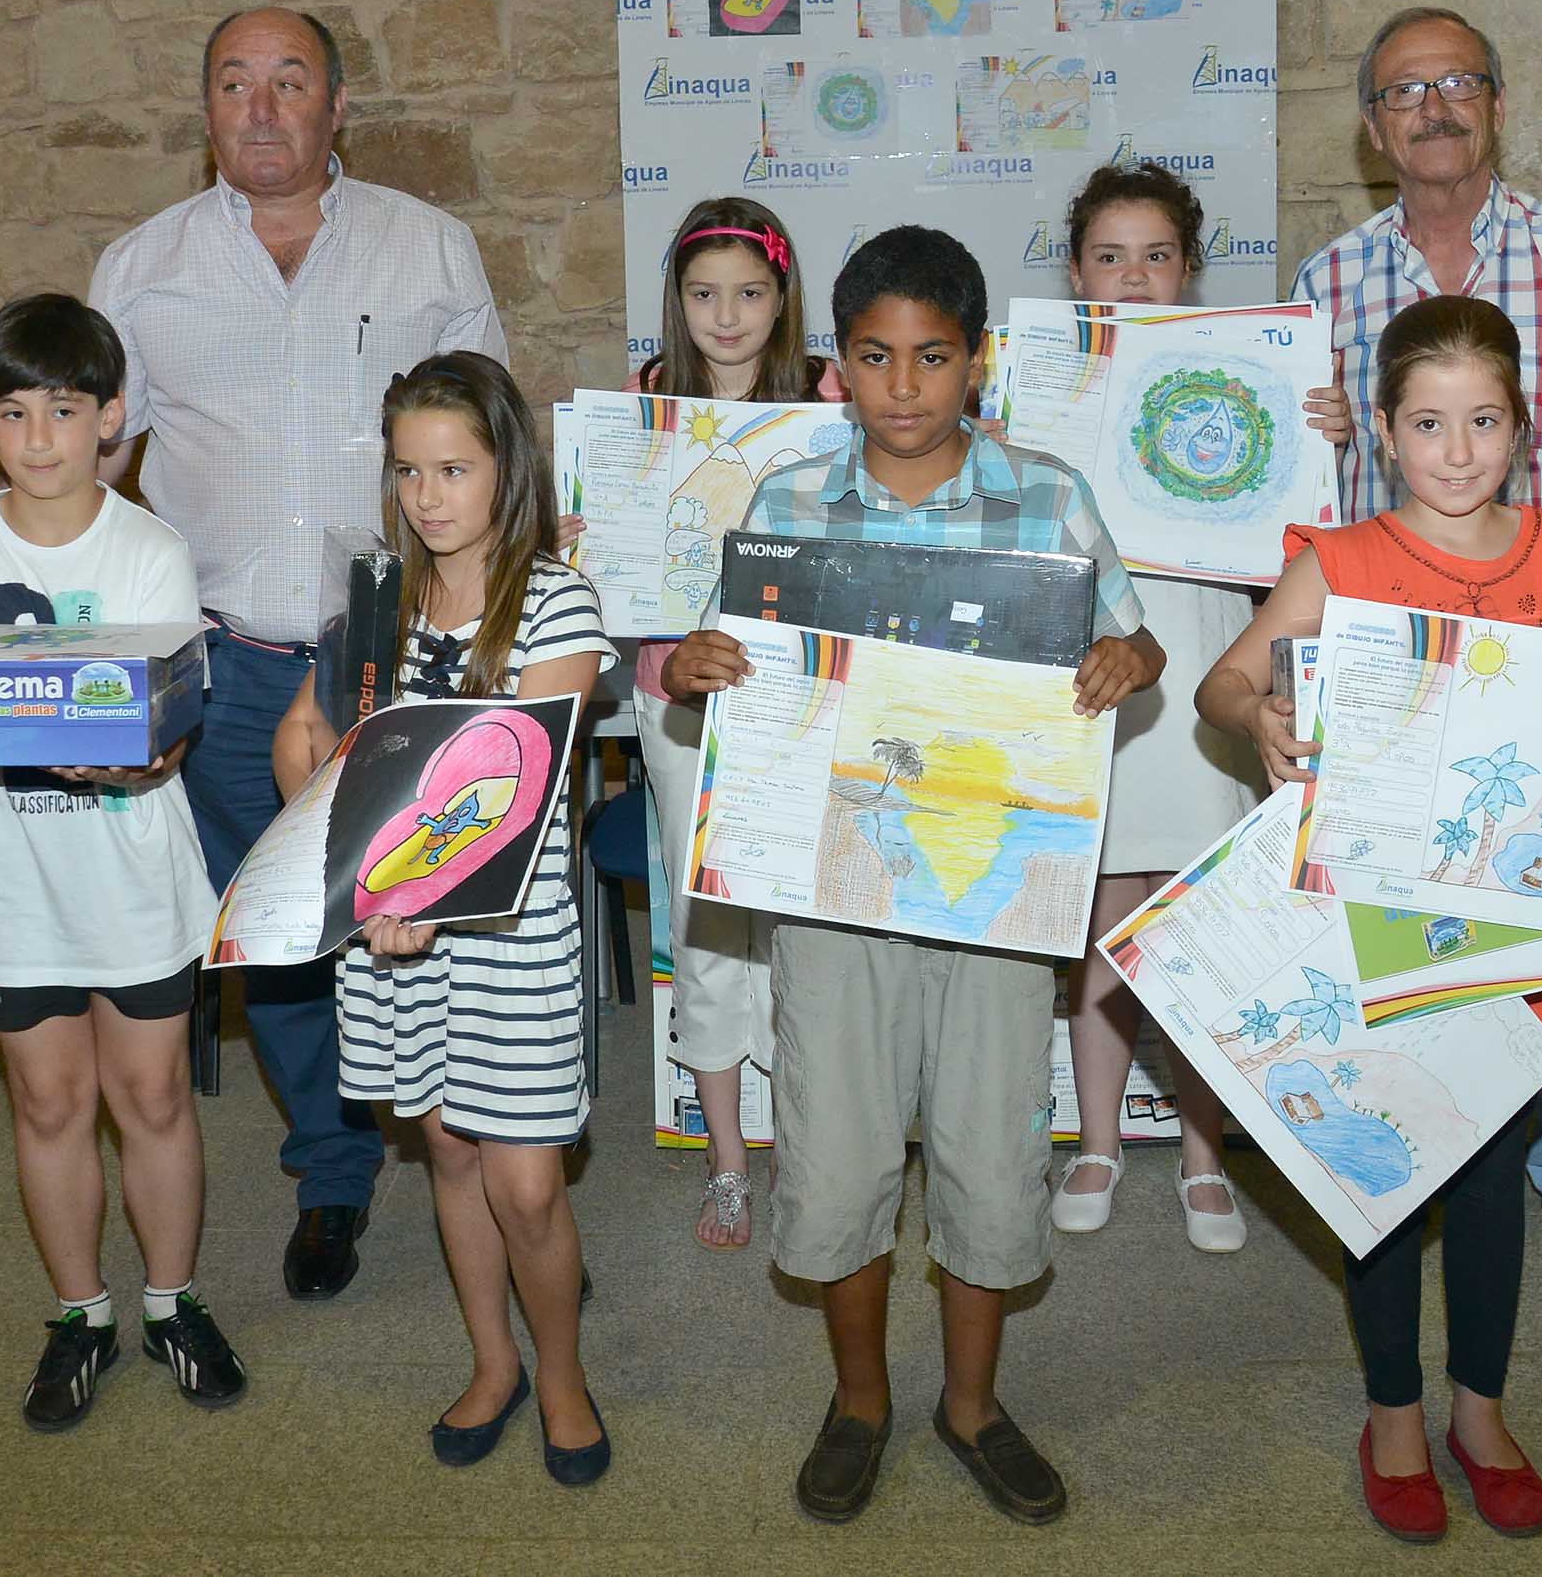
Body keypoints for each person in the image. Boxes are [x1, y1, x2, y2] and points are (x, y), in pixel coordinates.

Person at [0, 7, 508, 1303]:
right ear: (206, 111)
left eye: (290, 81)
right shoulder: (144, 264)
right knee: (272, 934)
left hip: (388, 645)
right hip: (217, 657)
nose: (263, 105)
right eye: (234, 83)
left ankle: (476, 1157)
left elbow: (487, 439)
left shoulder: (426, 244)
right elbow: (81, 449)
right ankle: (332, 1173)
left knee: (418, 910)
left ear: (336, 105)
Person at [1199, 296, 1542, 1541]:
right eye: (1431, 423)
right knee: (1387, 1170)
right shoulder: (1340, 561)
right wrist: (1259, 719)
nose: (1459, 451)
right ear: (1388, 431)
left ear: (1521, 424)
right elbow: (1223, 679)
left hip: (1523, 944)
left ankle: (1480, 1408)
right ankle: (1393, 1412)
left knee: (1497, 1181)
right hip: (1376, 932)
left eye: (1485, 422)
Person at [662, 226, 1164, 1528]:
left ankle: (973, 1403)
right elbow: (736, 664)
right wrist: (695, 666)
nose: (903, 385)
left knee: (993, 1152)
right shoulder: (784, 506)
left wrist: (1129, 661)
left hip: (996, 892)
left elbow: (1134, 635)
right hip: (835, 889)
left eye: (931, 356)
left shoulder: (1045, 498)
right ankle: (861, 1398)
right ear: (835, 368)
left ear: (975, 362)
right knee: (830, 1159)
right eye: (875, 357)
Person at [1290, 5, 1542, 1287]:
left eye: (1461, 83)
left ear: (1499, 106)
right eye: (1407, 92)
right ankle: (1412, 1142)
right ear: (1373, 127)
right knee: (1409, 921)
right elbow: (1309, 477)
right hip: (1392, 657)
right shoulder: (1331, 281)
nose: (1436, 107)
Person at [0, 293, 246, 1433]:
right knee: (47, 1102)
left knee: (150, 1095)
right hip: (15, 887)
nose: (38, 438)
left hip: (136, 880)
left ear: (111, 419)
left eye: (63, 410)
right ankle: (80, 1313)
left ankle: (171, 1302)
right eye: (12, 412)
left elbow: (165, 719)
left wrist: (143, 761)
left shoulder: (149, 550)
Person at [269, 351, 614, 1486]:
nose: (428, 495)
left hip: (507, 935)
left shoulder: (554, 599)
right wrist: (312, 784)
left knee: (525, 1182)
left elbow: (521, 785)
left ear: (506, 469)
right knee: (451, 1158)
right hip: (392, 940)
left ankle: (562, 1377)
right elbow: (318, 749)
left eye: (454, 468)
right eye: (409, 469)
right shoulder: (377, 601)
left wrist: (409, 885)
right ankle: (493, 1360)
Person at [1045, 161, 1345, 1254]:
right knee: (1101, 917)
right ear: (1077, 271)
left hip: (1212, 652)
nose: (1133, 276)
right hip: (1093, 670)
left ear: (1191, 270)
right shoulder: (1040, 387)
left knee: (1197, 913)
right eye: (1110, 256)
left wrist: (1330, 445)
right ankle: (1096, 1139)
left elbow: (1325, 545)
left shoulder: (1256, 380)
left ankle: (1208, 1150)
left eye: (1156, 255)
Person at [621, 197, 843, 1249]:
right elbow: (612, 548)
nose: (727, 315)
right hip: (675, 698)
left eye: (749, 293)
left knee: (803, 928)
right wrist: (586, 525)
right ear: (677, 300)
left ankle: (810, 1146)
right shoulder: (644, 400)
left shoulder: (831, 399)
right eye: (704, 294)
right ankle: (725, 1165)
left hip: (800, 700)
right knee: (706, 924)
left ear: (782, 298)